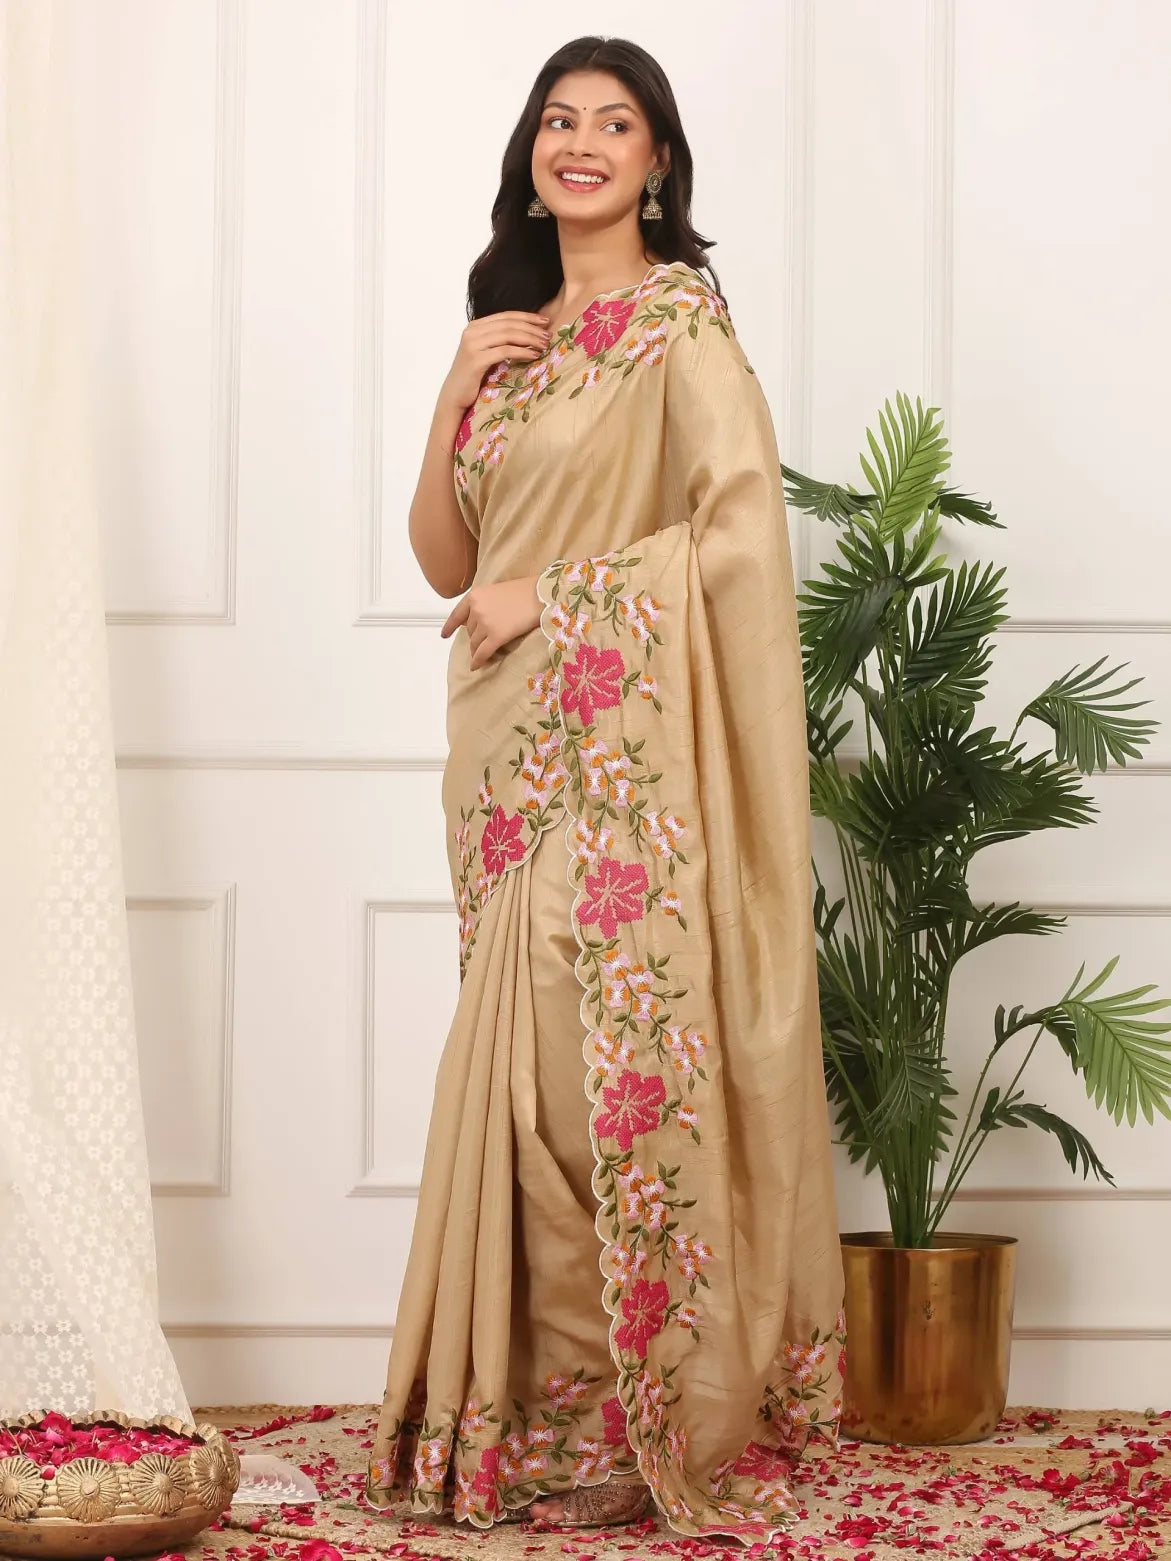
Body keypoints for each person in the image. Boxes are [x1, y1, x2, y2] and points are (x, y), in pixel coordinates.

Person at [365, 34, 844, 1542]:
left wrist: (554, 602)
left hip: (614, 764)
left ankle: (629, 1414)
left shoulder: (679, 329)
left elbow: (740, 542)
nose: (582, 143)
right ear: (529, 153)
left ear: (657, 161)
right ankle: (519, 1411)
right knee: (506, 1090)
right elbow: (445, 561)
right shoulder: (510, 335)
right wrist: (456, 378)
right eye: (559, 121)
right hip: (498, 762)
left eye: (614, 123)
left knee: (587, 1086)